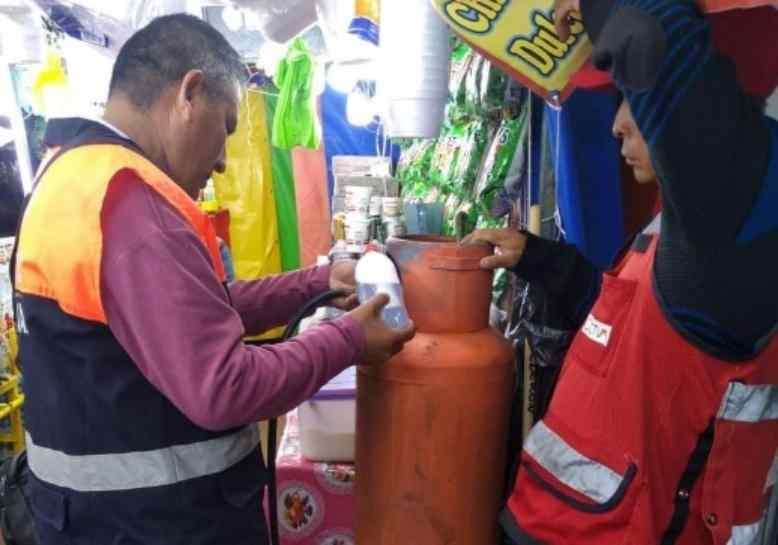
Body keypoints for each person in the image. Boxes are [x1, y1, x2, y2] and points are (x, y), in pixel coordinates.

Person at [13, 14, 414, 545]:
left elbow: (193, 314)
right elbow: (226, 387)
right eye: (226, 126)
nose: (224, 161)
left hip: (92, 516)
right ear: (190, 93)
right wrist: (352, 338)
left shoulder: (72, 174)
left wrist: (318, 282)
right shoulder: (132, 205)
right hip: (155, 524)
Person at [465, 0, 778, 543]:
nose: (616, 125)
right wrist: (538, 258)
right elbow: (641, 335)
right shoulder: (692, 226)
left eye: (632, 100)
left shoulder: (737, 211)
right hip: (570, 522)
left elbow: (656, 42)